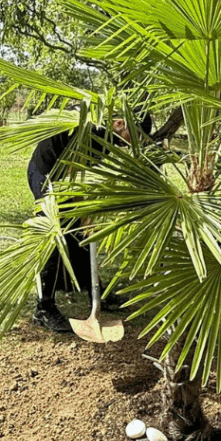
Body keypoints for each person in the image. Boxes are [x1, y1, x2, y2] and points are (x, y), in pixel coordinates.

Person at [29, 115, 148, 333]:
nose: (133, 143)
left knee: (80, 234)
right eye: (136, 135)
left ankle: (92, 290)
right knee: (56, 233)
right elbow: (73, 172)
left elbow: (86, 174)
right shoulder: (91, 128)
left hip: (69, 176)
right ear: (120, 123)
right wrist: (85, 215)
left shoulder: (109, 137)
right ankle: (43, 308)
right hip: (45, 172)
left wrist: (86, 215)